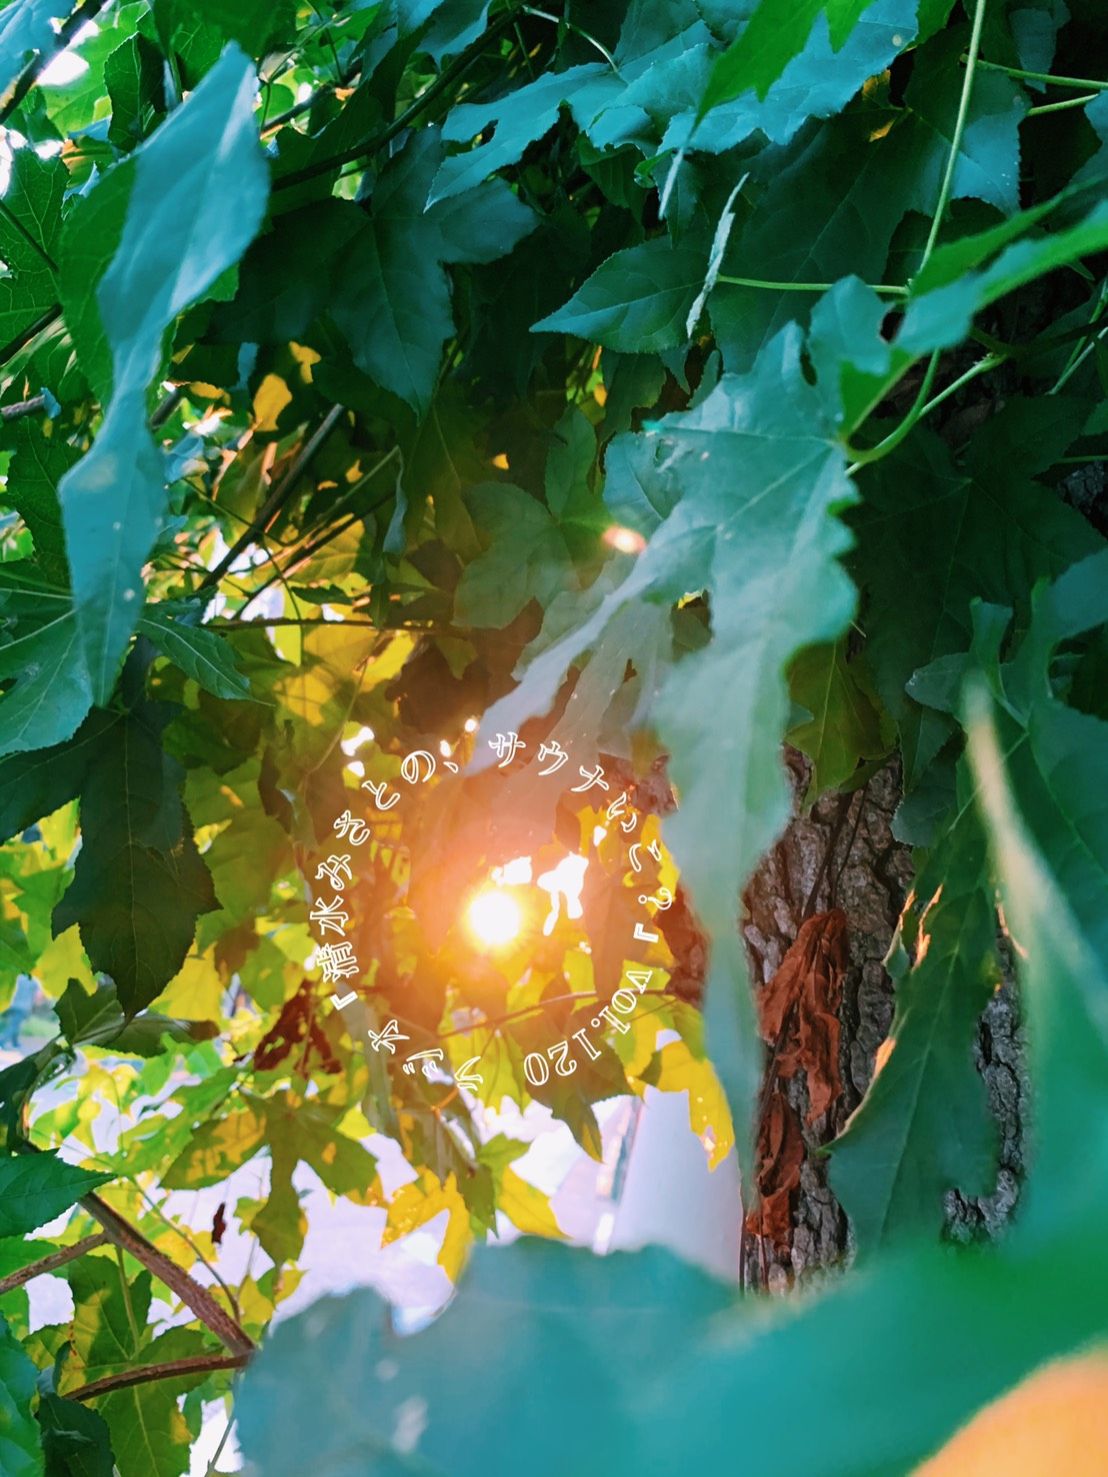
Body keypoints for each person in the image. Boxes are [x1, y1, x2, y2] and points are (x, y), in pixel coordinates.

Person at [0, 973, 37, 1051]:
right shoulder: (33, 981)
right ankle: (1, 1041)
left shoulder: (17, 977)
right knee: (14, 1026)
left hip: (11, 1004)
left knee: (15, 1024)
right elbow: (35, 996)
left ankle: (15, 1043)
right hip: (23, 1007)